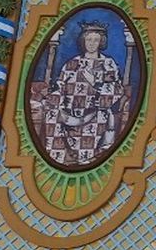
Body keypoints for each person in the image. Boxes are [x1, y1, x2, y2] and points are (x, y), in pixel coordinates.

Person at [41, 22, 126, 167]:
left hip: (94, 112)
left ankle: (84, 160)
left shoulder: (108, 64)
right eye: (89, 40)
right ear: (83, 41)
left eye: (95, 40)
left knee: (102, 117)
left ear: (101, 42)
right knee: (51, 114)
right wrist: (52, 100)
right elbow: (60, 86)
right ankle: (58, 159)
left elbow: (117, 89)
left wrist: (96, 82)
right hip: (69, 112)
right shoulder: (72, 63)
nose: (91, 44)